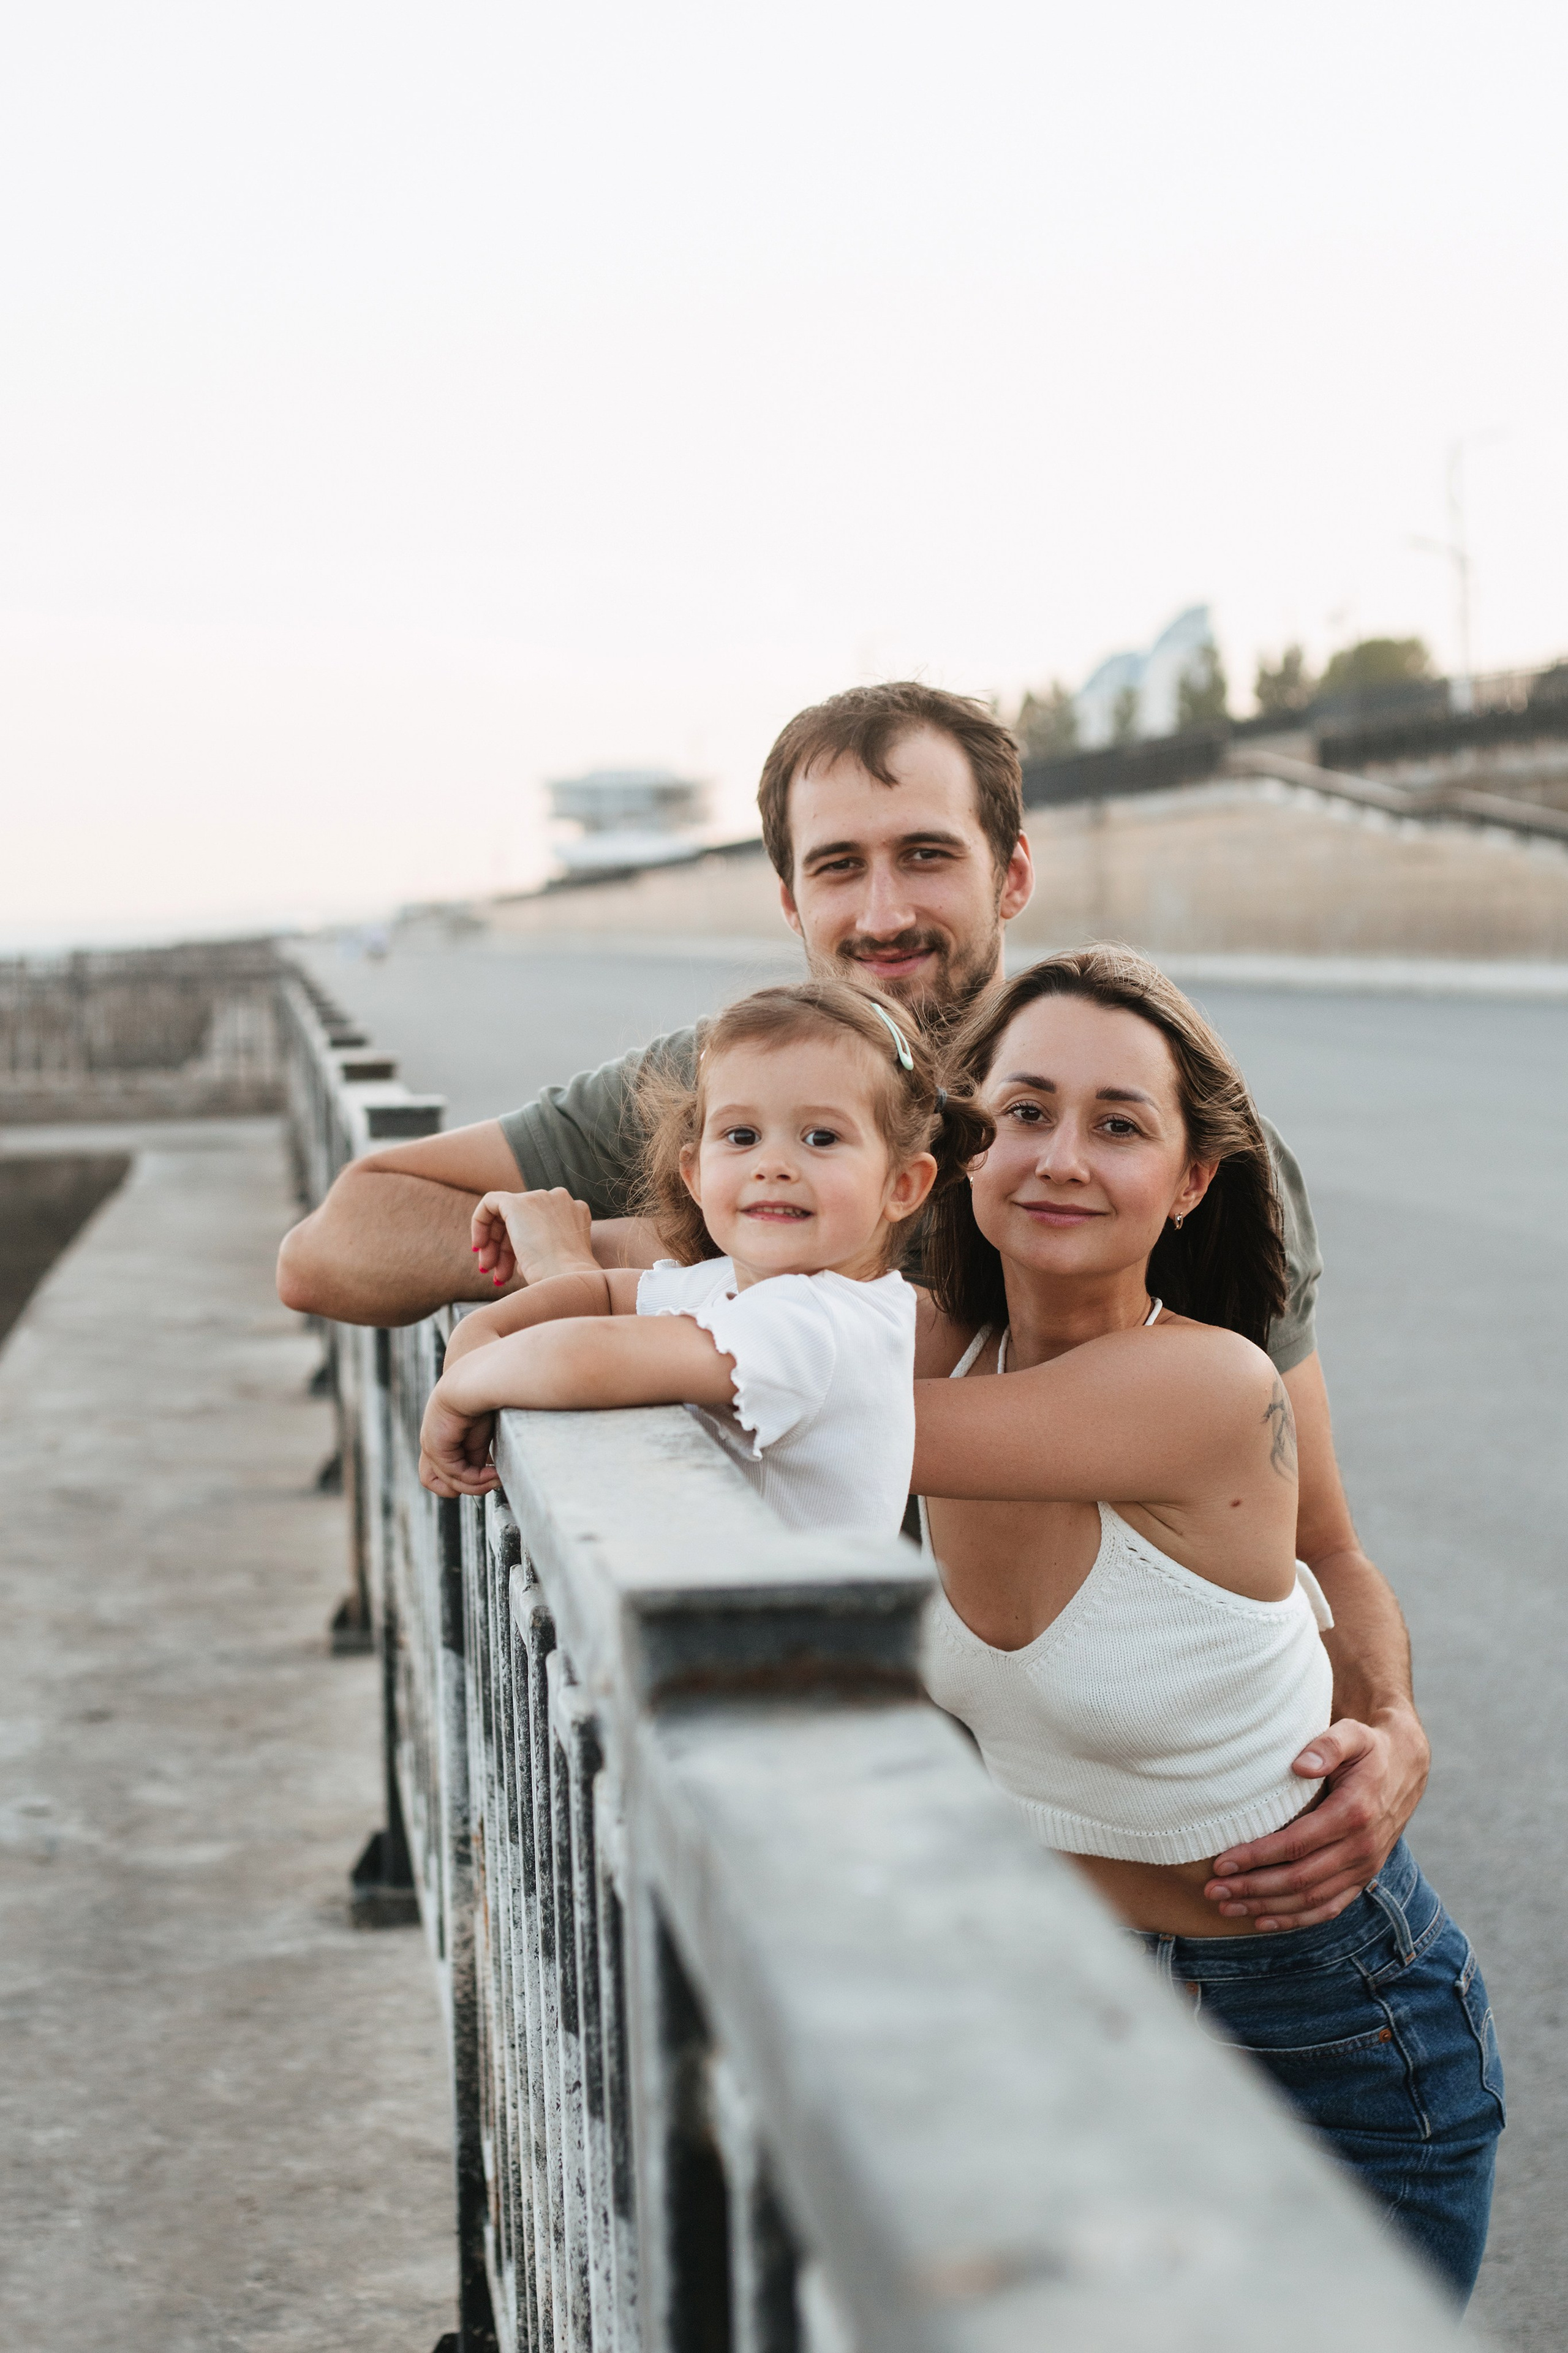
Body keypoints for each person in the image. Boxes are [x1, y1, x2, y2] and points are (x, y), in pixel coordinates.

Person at [276, 678, 1429, 1932]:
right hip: (933, 1881)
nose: (881, 912)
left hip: (1182, 1896)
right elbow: (335, 1248)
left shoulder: (1134, 1153)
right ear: (789, 899)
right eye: (838, 867)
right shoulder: (740, 1087)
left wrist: (1385, 1727)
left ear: (1010, 873)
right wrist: (552, 1255)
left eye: (925, 856)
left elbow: (1317, 1546)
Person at [910, 945, 1503, 2300]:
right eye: (1021, 1112)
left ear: (1188, 1182)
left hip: (1322, 2033)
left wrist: (1391, 1721)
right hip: (1077, 2013)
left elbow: (781, 1402)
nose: (1058, 1154)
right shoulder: (946, 1343)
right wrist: (537, 1294)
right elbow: (720, 1326)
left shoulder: (1206, 1383)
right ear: (962, 1145)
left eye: (1117, 1124)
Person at [417, 980, 985, 1540]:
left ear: (904, 1184)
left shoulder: (818, 1325)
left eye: (820, 1137)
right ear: (695, 1174)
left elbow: (582, 1357)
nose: (774, 1164)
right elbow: (608, 1295)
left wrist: (461, 1386)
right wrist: (480, 1329)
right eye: (742, 1135)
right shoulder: (739, 1287)